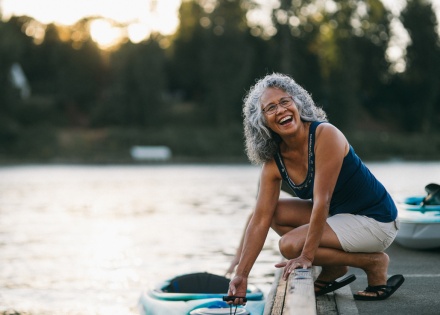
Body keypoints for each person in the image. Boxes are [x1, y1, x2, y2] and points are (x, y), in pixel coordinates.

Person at [226, 73, 404, 304]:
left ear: (297, 103)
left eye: (284, 102)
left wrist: (306, 256)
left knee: (289, 246)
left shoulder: (325, 135)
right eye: (270, 108)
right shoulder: (273, 162)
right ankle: (336, 266)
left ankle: (373, 262)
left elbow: (323, 201)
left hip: (376, 221)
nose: (280, 110)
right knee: (274, 213)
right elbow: (260, 220)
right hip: (340, 217)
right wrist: (242, 274)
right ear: (261, 121)